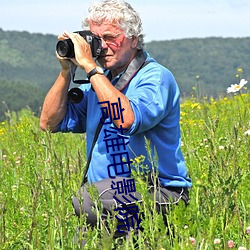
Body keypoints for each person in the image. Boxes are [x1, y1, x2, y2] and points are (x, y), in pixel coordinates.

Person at [40, 0, 192, 246]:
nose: (102, 47)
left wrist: (90, 68)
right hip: (109, 201)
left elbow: (126, 121)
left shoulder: (154, 77)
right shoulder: (99, 83)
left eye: (110, 37)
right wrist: (66, 71)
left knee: (87, 200)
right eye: (96, 39)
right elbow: (49, 122)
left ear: (133, 39)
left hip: (158, 192)